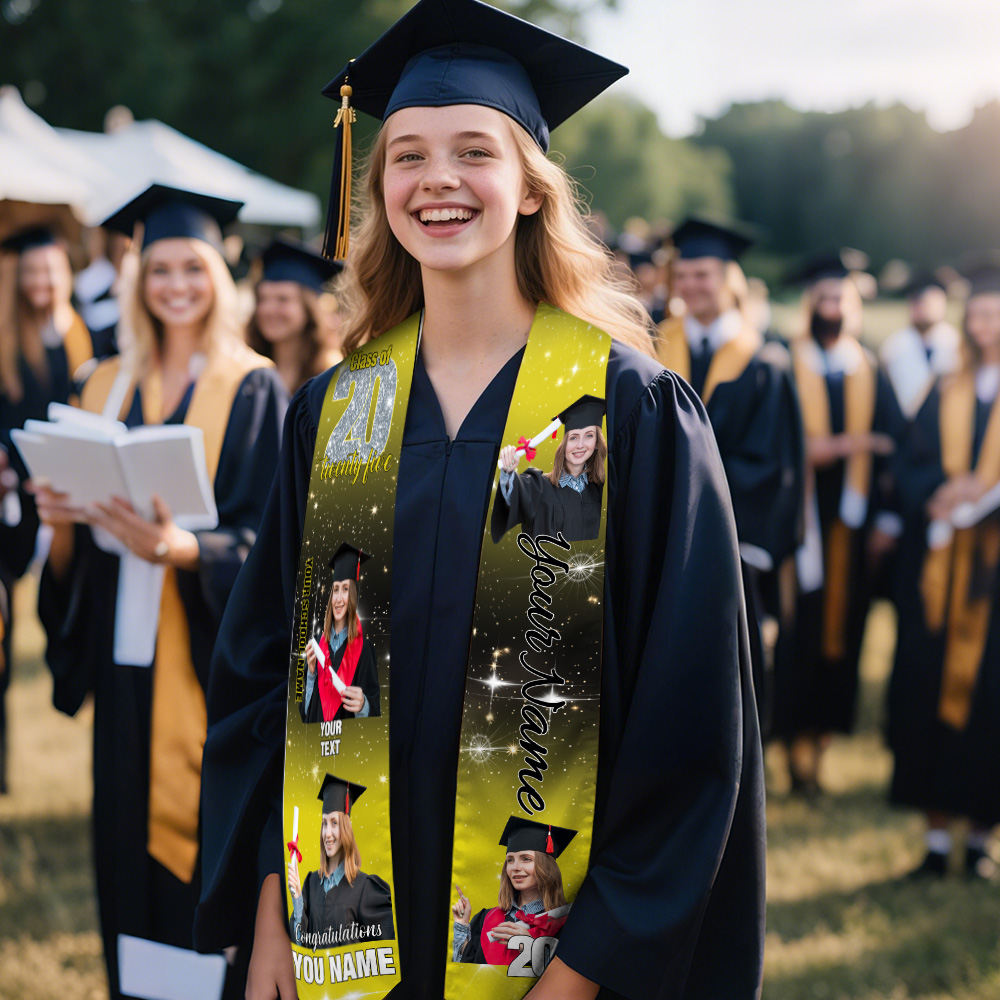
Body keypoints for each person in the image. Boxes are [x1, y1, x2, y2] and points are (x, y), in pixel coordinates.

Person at [195, 2, 765, 998]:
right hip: (345, 927)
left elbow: (689, 718)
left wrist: (586, 968)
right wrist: (273, 905)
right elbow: (263, 681)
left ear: (532, 190)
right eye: (407, 156)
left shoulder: (626, 413)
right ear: (379, 190)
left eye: (474, 151)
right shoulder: (336, 413)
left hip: (557, 955)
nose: (439, 181)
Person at [31, 184, 285, 1000]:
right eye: (159, 269)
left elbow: (268, 543)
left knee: (192, 841)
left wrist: (182, 548)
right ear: (138, 279)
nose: (175, 285)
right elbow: (65, 553)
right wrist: (61, 517)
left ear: (218, 275)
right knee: (123, 836)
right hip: (120, 655)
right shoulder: (98, 382)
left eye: (192, 268)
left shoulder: (254, 390)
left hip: (203, 665)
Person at [654, 216, 805, 737]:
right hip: (658, 534)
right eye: (685, 275)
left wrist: (694, 493)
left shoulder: (763, 360)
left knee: (728, 658)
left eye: (705, 275)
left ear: (729, 280)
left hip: (731, 540)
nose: (693, 286)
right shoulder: (649, 349)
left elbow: (773, 463)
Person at [772, 251, 903, 795]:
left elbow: (895, 448)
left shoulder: (869, 367)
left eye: (840, 299)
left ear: (853, 306)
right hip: (798, 524)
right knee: (797, 632)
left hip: (850, 525)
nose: (831, 307)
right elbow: (777, 444)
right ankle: (789, 748)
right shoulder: (782, 362)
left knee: (842, 634)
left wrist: (887, 518)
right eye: (823, 298)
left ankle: (820, 746)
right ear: (810, 304)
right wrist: (845, 446)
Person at [887, 261, 1000, 878]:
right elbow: (908, 463)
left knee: (990, 699)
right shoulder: (947, 386)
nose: (984, 326)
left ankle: (981, 838)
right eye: (977, 314)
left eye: (994, 314)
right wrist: (938, 491)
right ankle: (934, 841)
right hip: (939, 570)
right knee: (927, 689)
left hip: (994, 577)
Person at [0, 225, 93, 795]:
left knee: (68, 610)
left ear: (67, 275)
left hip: (69, 502)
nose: (41, 281)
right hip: (13, 502)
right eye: (31, 271)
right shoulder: (6, 339)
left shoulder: (91, 336)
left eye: (51, 271)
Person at [288, 775, 394, 946]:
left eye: (334, 823)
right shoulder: (309, 885)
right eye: (324, 823)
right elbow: (299, 949)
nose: (327, 833)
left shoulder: (365, 888)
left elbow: (383, 954)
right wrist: (298, 900)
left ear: (346, 828)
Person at [453, 817, 573, 966]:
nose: (515, 867)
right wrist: (462, 924)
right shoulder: (487, 919)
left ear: (546, 867)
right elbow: (465, 970)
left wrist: (530, 946)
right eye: (510, 860)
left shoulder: (564, 922)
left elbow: (572, 973)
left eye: (526, 859)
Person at [491, 395, 605, 544]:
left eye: (589, 436)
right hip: (543, 566)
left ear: (597, 443)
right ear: (563, 443)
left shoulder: (602, 490)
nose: (580, 445)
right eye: (573, 437)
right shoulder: (536, 486)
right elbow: (511, 500)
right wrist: (508, 472)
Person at [246, 237, 344, 396]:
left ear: (308, 308)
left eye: (282, 299)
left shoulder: (331, 375)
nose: (268, 310)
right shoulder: (247, 368)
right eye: (262, 299)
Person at [300, 542, 381, 723]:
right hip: (317, 748)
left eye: (345, 589)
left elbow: (375, 713)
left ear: (353, 595)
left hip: (349, 748)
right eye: (335, 589)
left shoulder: (364, 650)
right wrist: (312, 675)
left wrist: (364, 705)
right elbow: (305, 716)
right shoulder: (316, 647)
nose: (338, 598)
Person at [880, 272, 960, 421]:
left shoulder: (958, 344)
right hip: (905, 429)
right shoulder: (892, 347)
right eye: (917, 301)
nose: (923, 307)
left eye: (930, 301)